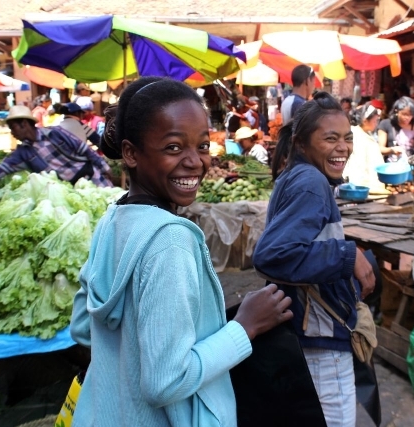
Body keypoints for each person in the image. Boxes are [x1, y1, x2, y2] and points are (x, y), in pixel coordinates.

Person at [70, 76, 292, 426]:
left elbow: (84, 328)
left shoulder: (112, 219)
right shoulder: (170, 241)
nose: (195, 162)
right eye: (174, 147)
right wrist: (244, 327)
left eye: (203, 147)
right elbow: (166, 382)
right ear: (130, 153)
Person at [253, 92, 377, 427]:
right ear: (302, 143)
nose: (343, 148)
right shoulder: (310, 182)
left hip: (308, 332)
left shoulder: (300, 175)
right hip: (320, 341)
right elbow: (272, 255)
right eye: (331, 139)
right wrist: (346, 255)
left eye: (348, 139)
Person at [0, 106, 111, 204]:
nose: (12, 133)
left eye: (13, 128)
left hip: (92, 176)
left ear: (24, 124)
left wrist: (105, 168)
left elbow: (84, 149)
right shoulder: (23, 153)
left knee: (110, 203)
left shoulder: (55, 133)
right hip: (70, 192)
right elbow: (0, 171)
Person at [343, 102, 385, 192]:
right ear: (365, 121)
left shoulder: (365, 134)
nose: (376, 124)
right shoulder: (356, 137)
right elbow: (358, 166)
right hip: (361, 186)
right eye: (375, 121)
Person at [377, 96, 414, 161]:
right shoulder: (386, 124)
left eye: (410, 115)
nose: (407, 117)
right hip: (392, 166)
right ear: (396, 111)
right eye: (404, 114)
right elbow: (380, 148)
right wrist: (392, 150)